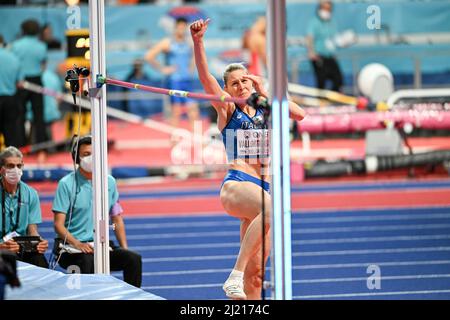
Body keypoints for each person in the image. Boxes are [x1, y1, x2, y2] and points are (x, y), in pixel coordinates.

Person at [190, 19, 306, 300]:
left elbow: (299, 113)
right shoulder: (228, 110)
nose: (240, 85)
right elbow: (206, 78)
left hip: (263, 187)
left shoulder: (265, 109)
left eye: (244, 80)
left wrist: (262, 90)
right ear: (227, 90)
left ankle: (243, 282)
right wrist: (198, 41)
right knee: (272, 210)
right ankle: (234, 275)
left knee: (257, 275)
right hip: (238, 184)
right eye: (234, 83)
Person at [52, 135, 142, 288]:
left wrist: (124, 247)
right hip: (71, 248)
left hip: (100, 246)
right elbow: (58, 225)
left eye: (93, 153)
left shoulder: (109, 182)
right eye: (86, 154)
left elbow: (117, 219)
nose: (91, 158)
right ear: (77, 157)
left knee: (133, 259)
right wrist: (78, 244)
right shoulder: (66, 184)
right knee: (86, 261)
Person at [145, 17, 200, 129]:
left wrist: (191, 68)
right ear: (175, 28)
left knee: (193, 109)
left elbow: (194, 57)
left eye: (184, 27)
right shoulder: (168, 42)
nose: (181, 30)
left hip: (187, 80)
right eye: (179, 27)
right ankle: (174, 139)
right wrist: (163, 69)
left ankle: (196, 139)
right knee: (176, 111)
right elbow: (149, 56)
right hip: (174, 80)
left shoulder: (189, 42)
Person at [0, 147, 49, 268]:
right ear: (1, 169)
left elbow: (32, 231)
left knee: (39, 260)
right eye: (10, 166)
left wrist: (39, 242)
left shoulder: (31, 193)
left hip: (20, 247)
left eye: (18, 166)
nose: (15, 170)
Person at [11, 19, 48, 163]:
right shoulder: (41, 46)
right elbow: (43, 65)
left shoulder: (15, 46)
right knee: (39, 117)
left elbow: (14, 63)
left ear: (23, 30)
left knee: (19, 115)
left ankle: (21, 148)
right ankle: (42, 150)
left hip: (20, 82)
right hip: (36, 81)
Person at [306, 0, 343, 92]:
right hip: (319, 57)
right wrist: (311, 52)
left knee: (338, 79)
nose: (326, 11)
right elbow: (310, 37)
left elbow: (334, 39)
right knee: (321, 81)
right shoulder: (314, 22)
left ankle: (333, 100)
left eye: (328, 9)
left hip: (330, 56)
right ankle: (321, 102)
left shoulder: (331, 22)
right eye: (324, 8)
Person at [0, 35, 22, 148]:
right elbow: (20, 82)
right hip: (10, 99)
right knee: (10, 133)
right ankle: (11, 159)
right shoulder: (14, 58)